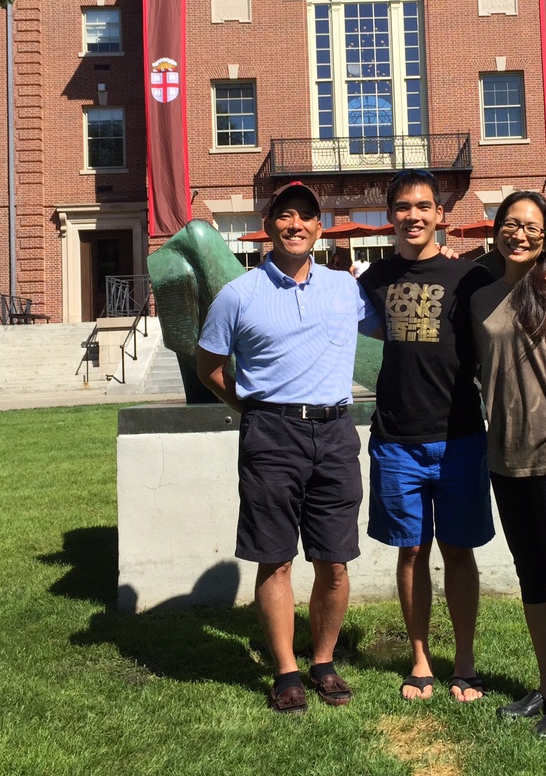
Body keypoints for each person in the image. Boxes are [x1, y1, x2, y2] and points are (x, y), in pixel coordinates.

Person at [195, 181, 376, 715]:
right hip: (271, 434)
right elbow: (209, 367)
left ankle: (322, 661)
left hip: (336, 432)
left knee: (335, 560)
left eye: (306, 217)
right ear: (269, 227)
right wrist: (251, 407)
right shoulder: (239, 294)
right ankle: (285, 671)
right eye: (285, 216)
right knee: (275, 559)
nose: (295, 224)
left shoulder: (347, 289)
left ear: (319, 229)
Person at [357, 169, 496, 702]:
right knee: (410, 552)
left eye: (423, 207)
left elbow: (517, 303)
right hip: (396, 438)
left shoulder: (470, 279)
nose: (412, 216)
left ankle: (464, 661)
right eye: (402, 207)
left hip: (460, 436)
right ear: (391, 216)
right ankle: (420, 660)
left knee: (458, 551)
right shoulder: (372, 279)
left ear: (439, 214)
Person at [470, 190, 546, 737]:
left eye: (533, 228)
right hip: (504, 455)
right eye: (511, 224)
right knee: (530, 574)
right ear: (497, 229)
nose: (520, 234)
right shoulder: (482, 297)